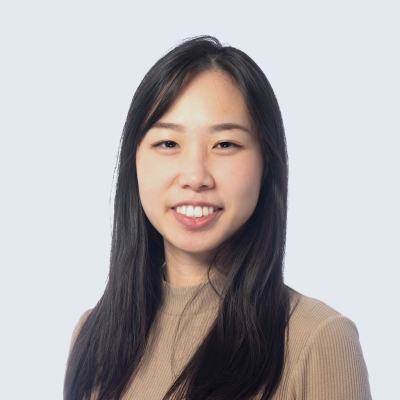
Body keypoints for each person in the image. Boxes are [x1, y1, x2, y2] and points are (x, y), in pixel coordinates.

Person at [64, 36, 371, 400]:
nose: (195, 176)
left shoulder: (318, 339)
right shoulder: (94, 334)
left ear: (267, 165)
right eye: (168, 143)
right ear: (134, 162)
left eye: (225, 144)